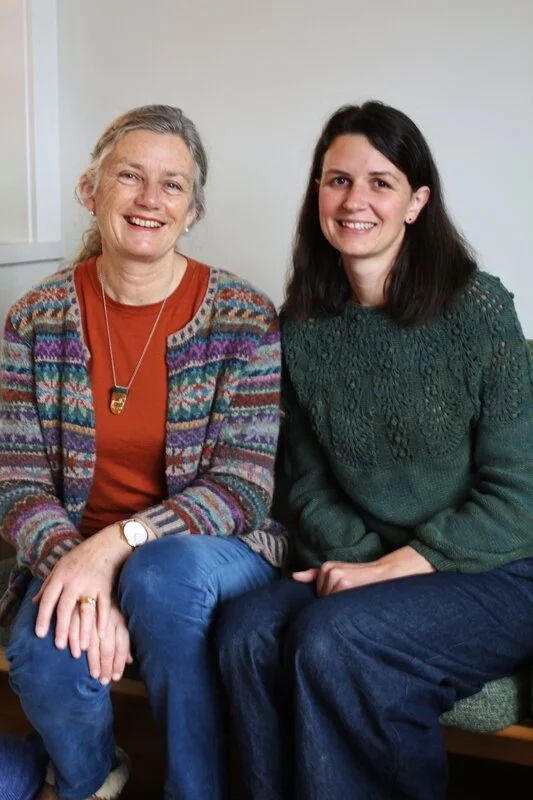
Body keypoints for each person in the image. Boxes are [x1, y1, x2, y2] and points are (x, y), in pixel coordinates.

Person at [216, 101, 533, 800]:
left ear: (416, 202)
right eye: (336, 181)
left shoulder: (479, 310)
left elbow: (519, 493)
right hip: (365, 564)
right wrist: (361, 562)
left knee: (337, 638)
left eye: (380, 182)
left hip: (498, 571)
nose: (354, 200)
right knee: (244, 631)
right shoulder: (297, 327)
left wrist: (395, 568)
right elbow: (301, 485)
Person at [0, 104, 286, 800]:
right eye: (129, 176)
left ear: (191, 212)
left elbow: (243, 487)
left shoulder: (242, 317)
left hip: (217, 550)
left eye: (172, 185)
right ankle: (90, 778)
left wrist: (118, 546)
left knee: (161, 580)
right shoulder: (34, 320)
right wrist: (79, 561)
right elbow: (18, 483)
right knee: (41, 655)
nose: (149, 199)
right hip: (74, 542)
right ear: (88, 190)